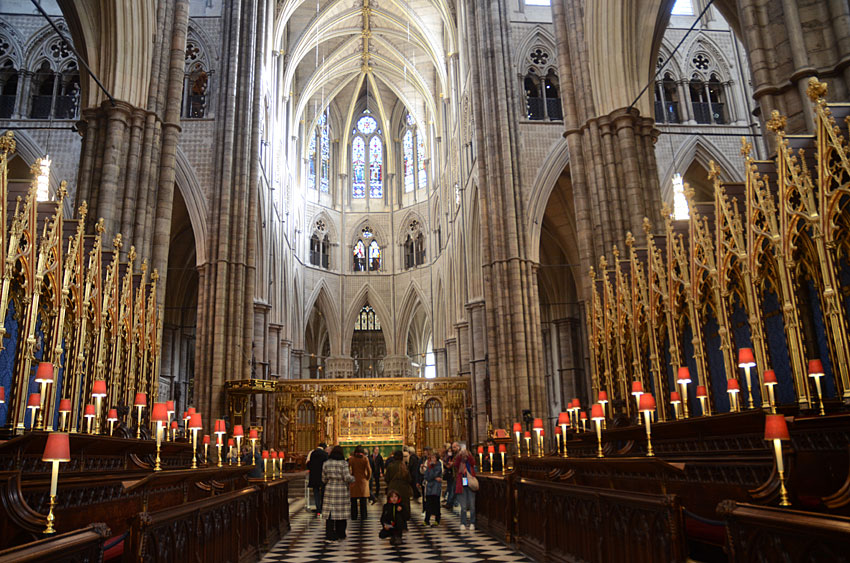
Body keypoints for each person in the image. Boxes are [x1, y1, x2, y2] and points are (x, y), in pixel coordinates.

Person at [322, 446, 355, 542]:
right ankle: (341, 533)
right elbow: (346, 477)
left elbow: (323, 478)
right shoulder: (343, 463)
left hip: (330, 489)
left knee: (330, 513)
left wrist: (329, 481)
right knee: (341, 513)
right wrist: (353, 478)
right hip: (341, 490)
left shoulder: (326, 463)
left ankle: (330, 534)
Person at [453, 446, 477, 531]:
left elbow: (473, 462)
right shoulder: (459, 461)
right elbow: (456, 464)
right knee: (463, 507)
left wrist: (468, 455)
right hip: (462, 484)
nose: (464, 455)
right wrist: (460, 456)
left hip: (470, 484)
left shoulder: (470, 463)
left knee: (472, 505)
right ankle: (463, 523)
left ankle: (472, 523)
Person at [385, 450, 413, 514]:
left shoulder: (390, 466)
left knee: (393, 506)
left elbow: (387, 478)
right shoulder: (404, 466)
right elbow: (409, 479)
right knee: (404, 507)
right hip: (404, 489)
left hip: (393, 488)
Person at [348, 445, 372, 520]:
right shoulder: (365, 458)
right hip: (363, 481)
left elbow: (348, 469)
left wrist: (350, 476)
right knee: (363, 501)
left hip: (354, 480)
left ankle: (354, 515)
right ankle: (363, 516)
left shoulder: (352, 459)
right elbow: (369, 470)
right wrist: (367, 478)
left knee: (353, 501)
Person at [307, 442, 329, 515]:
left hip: (314, 476)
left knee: (316, 493)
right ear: (324, 447)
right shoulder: (324, 454)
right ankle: (322, 507)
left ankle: (318, 509)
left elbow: (309, 464)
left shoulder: (313, 453)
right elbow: (327, 465)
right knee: (323, 492)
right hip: (322, 476)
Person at [423, 453, 443, 526]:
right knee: (428, 504)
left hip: (436, 487)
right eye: (431, 458)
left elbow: (433, 475)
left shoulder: (438, 466)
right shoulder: (429, 466)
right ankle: (426, 520)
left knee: (436, 504)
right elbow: (426, 476)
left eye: (434, 458)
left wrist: (432, 476)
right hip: (429, 487)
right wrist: (433, 477)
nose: (432, 459)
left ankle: (437, 519)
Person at [443, 442, 459, 508]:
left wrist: (452, 463)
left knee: (454, 489)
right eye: (452, 447)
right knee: (452, 489)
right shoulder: (453, 454)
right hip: (454, 474)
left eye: (454, 447)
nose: (453, 449)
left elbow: (459, 463)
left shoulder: (459, 454)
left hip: (458, 474)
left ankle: (451, 502)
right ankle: (451, 502)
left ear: (458, 447)